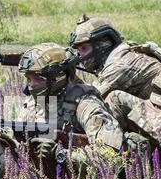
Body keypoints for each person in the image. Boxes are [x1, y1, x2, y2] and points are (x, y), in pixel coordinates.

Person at [68, 15, 161, 159]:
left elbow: (90, 99)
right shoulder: (126, 53)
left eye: (84, 49)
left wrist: (66, 77)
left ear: (103, 44)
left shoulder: (120, 65)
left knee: (113, 100)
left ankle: (109, 158)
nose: (80, 56)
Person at [16, 42, 147, 159]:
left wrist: (61, 154)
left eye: (39, 78)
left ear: (58, 77)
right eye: (28, 78)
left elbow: (109, 152)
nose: (31, 85)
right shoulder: (33, 102)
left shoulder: (86, 103)